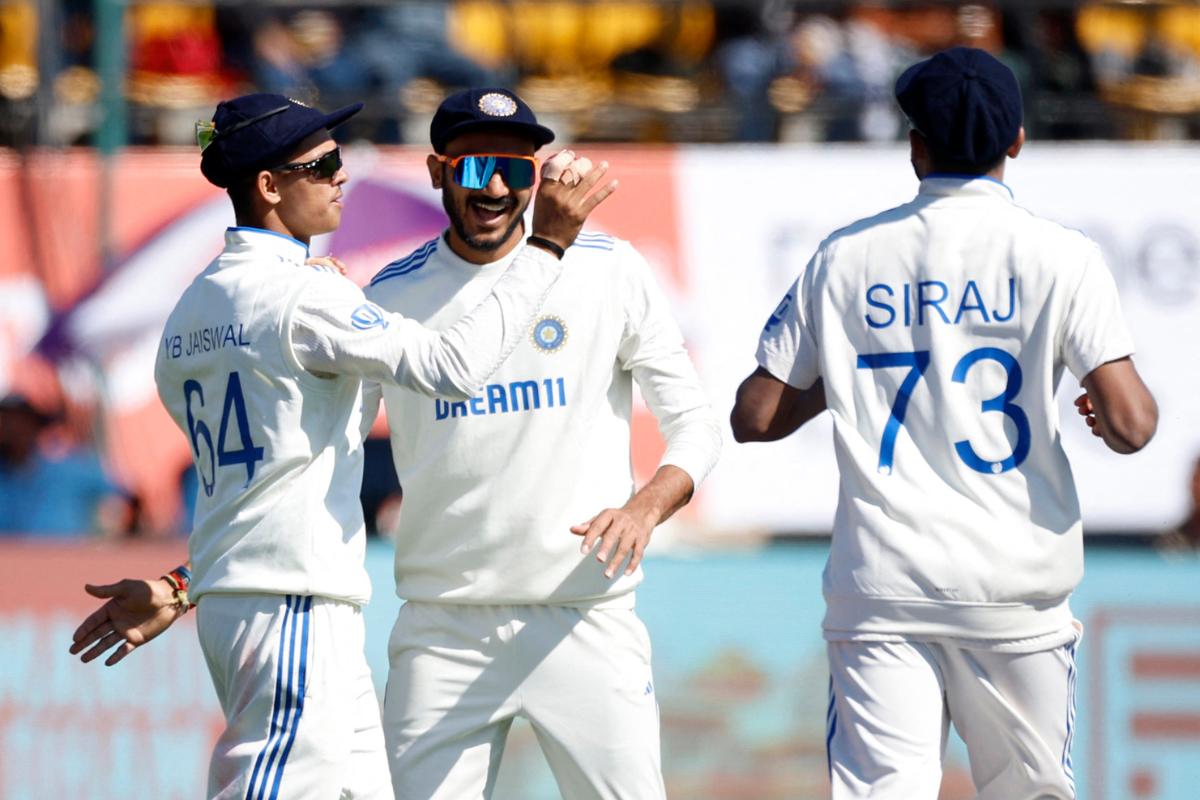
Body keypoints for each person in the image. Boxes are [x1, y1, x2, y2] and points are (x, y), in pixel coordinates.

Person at [67, 91, 616, 799]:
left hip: (259, 596)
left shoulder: (193, 307)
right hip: (292, 599)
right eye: (322, 164)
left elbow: (278, 463)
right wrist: (546, 245)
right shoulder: (302, 297)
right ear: (268, 186)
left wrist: (183, 583)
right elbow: (453, 370)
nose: (341, 176)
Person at [730, 47, 1157, 799]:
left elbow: (756, 416)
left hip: (883, 589)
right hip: (1015, 589)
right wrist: (1100, 406)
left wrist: (864, 368)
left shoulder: (845, 255)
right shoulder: (1063, 255)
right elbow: (1132, 425)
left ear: (915, 145)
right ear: (1017, 139)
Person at [361, 87, 721, 799]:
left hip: (584, 613)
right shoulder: (390, 295)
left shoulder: (610, 268)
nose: (494, 188)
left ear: (538, 175)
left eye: (515, 171)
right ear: (436, 172)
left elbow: (698, 426)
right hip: (445, 626)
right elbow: (328, 454)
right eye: (470, 170)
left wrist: (643, 509)